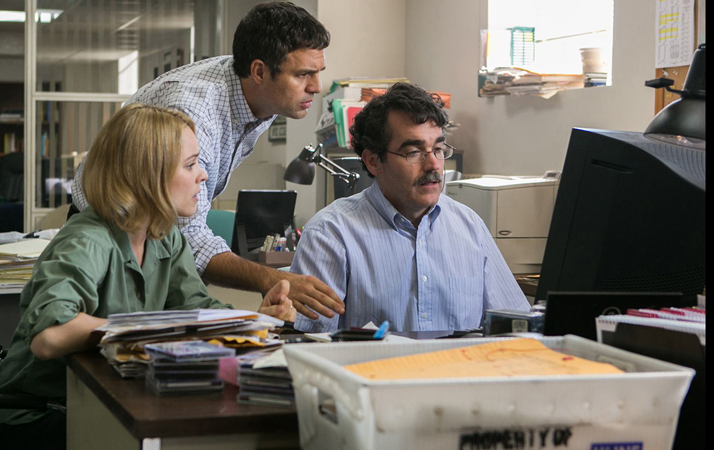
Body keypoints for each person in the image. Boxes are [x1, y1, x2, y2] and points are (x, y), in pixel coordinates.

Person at [0, 104, 293, 449]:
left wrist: (254, 321)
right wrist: (142, 329)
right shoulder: (88, 240)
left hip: (91, 400)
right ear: (147, 174)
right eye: (190, 165)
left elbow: (196, 309)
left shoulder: (164, 236)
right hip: (35, 415)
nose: (202, 175)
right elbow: (49, 337)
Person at [69, 2, 344, 321]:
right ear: (259, 72)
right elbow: (188, 235)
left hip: (158, 235)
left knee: (188, 324)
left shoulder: (261, 95)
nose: (316, 87)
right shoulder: (195, 112)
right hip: (113, 231)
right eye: (303, 74)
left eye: (318, 72)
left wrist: (255, 320)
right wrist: (269, 279)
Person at [287, 83, 531, 332]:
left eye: (438, 149)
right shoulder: (330, 233)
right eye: (414, 152)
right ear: (373, 161)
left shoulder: (470, 227)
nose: (433, 165)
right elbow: (311, 343)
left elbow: (516, 327)